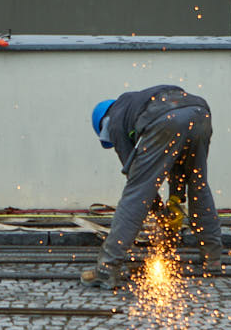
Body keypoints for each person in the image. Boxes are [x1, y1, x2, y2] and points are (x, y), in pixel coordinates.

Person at [80, 85, 222, 289]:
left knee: (135, 195)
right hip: (199, 113)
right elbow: (176, 164)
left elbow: (138, 183)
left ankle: (107, 268)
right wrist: (175, 199)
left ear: (104, 123)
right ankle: (213, 257)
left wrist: (155, 208)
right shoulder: (137, 104)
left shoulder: (115, 120)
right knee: (198, 183)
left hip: (167, 118)